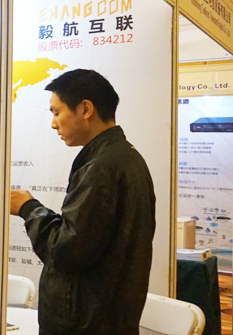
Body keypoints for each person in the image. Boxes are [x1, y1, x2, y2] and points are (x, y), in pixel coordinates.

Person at [10, 69, 155, 335]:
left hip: (85, 321)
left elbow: (67, 250)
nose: (54, 124)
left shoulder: (101, 167)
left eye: (57, 112)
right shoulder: (126, 158)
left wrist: (29, 209)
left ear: (85, 109)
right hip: (108, 315)